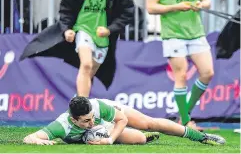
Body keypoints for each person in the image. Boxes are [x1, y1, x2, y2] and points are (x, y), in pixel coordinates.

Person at [20, 0, 134, 96]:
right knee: (86, 64)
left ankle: (78, 104)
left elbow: (128, 11)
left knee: (90, 73)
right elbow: (66, 8)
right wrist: (67, 29)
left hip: (103, 37)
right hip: (83, 29)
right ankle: (82, 106)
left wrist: (110, 29)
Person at [146, 0, 214, 130]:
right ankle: (185, 122)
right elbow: (151, 7)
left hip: (195, 32)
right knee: (181, 75)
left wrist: (201, 4)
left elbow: (207, 0)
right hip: (173, 33)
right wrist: (177, 6)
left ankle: (185, 114)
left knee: (208, 73)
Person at [23, 96, 225, 145]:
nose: (91, 122)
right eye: (85, 121)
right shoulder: (61, 126)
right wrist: (42, 141)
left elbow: (122, 119)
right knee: (139, 139)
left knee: (148, 123)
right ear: (74, 120)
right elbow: (29, 138)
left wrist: (109, 140)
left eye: (92, 118)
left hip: (112, 117)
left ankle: (201, 136)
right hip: (99, 132)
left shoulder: (97, 108)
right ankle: (144, 138)